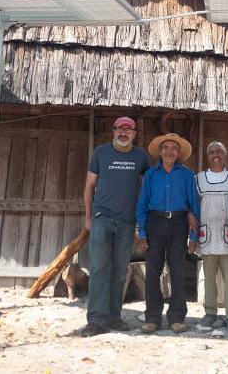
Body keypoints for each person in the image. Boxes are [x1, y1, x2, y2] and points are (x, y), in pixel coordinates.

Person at [81, 116, 149, 337]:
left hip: (127, 222)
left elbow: (145, 189)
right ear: (113, 131)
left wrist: (142, 221)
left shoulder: (140, 156)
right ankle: (96, 319)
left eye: (128, 130)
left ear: (134, 134)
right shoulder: (101, 153)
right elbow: (89, 186)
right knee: (99, 268)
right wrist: (89, 217)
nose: (124, 133)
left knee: (120, 270)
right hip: (102, 218)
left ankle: (114, 316)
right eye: (120, 129)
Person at [137, 132, 200, 334]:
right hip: (155, 222)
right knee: (153, 271)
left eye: (173, 148)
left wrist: (194, 236)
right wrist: (142, 231)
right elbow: (142, 204)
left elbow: (194, 205)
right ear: (160, 152)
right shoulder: (151, 174)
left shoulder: (187, 174)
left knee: (177, 270)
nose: (169, 152)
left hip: (179, 223)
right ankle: (153, 318)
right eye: (165, 148)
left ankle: (176, 318)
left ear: (178, 153)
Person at [195, 141, 228, 333]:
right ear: (207, 156)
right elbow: (193, 204)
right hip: (207, 232)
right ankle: (210, 313)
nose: (216, 155)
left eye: (219, 152)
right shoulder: (199, 178)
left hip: (227, 231)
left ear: (225, 154)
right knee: (209, 275)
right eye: (212, 152)